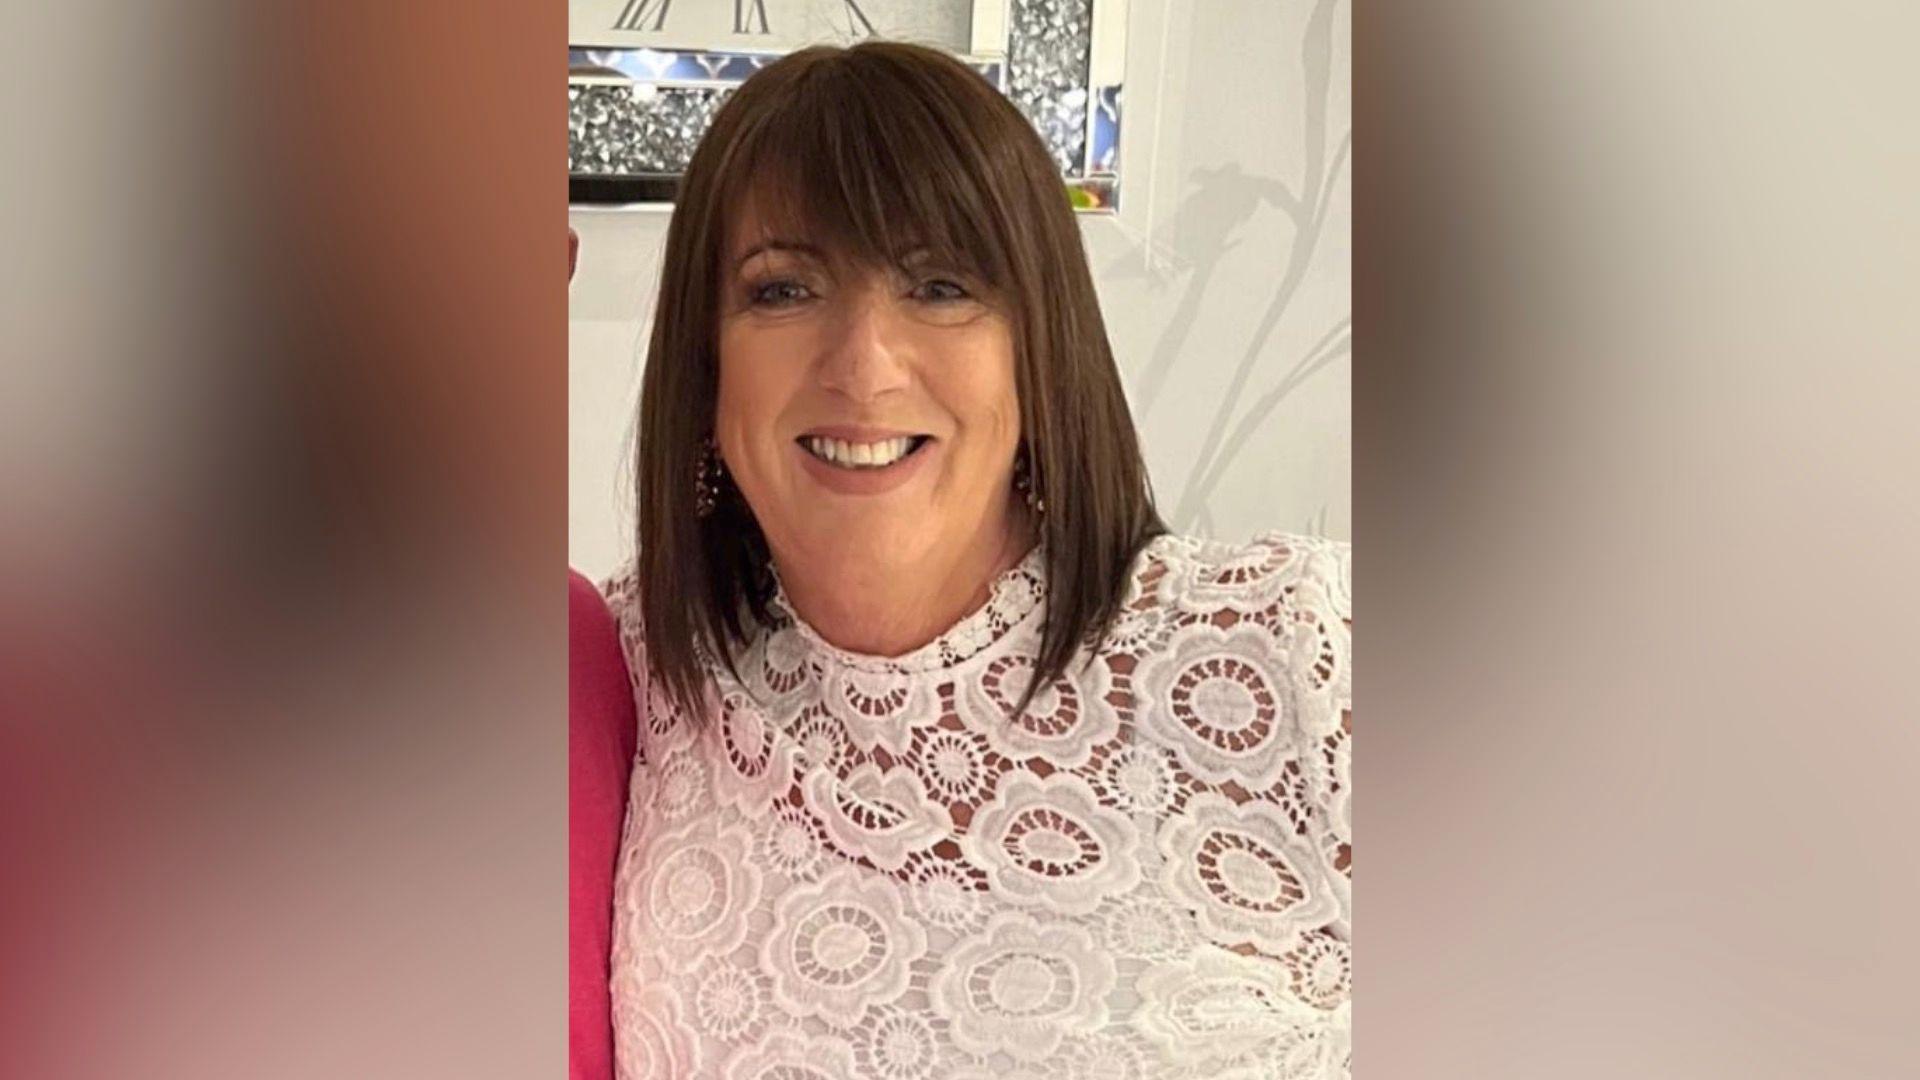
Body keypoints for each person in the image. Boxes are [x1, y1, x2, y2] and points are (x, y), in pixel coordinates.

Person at [601, 41, 1352, 1079]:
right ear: (706, 365)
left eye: (942, 285)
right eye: (782, 291)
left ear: (1040, 354)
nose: (863, 365)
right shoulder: (624, 672)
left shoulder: (1291, 649)